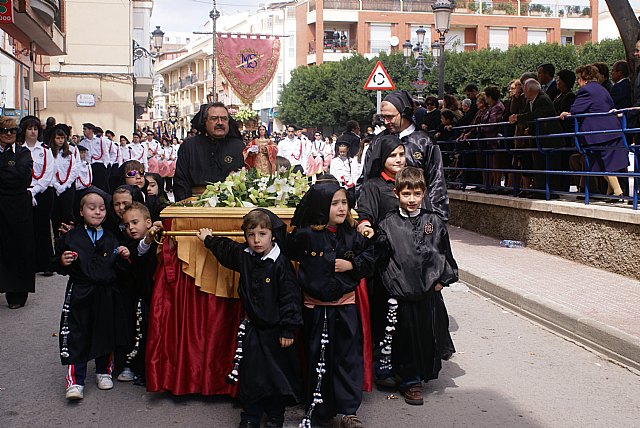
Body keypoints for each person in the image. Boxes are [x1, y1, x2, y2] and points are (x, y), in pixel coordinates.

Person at [197, 209, 303, 428]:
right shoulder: (244, 256)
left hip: (276, 332)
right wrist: (208, 239)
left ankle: (275, 416)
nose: (256, 240)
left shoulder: (280, 263)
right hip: (253, 330)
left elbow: (290, 297)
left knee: (276, 375)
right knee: (251, 375)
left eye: (262, 234)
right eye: (251, 234)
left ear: (272, 235)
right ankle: (250, 416)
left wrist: (287, 329)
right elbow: (225, 249)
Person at [288, 182, 374, 428]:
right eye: (334, 203)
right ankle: (318, 409)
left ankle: (349, 411)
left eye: (344, 203)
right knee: (317, 358)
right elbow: (285, 247)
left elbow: (371, 257)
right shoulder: (305, 236)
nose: (340, 208)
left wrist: (352, 265)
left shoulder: (352, 234)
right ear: (320, 207)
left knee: (348, 358)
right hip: (315, 310)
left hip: (345, 308)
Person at [372, 167, 458, 405]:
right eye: (406, 194)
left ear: (424, 193)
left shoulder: (433, 221)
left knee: (422, 338)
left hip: (426, 293)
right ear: (396, 193)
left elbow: (443, 251)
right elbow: (379, 258)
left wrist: (442, 279)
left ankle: (416, 378)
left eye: (417, 194)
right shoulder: (388, 223)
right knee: (400, 338)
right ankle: (406, 380)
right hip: (399, 294)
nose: (411, 199)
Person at [53, 191, 131, 400]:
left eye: (102, 208)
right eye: (91, 207)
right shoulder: (71, 237)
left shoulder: (111, 237)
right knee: (77, 333)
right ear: (81, 211)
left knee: (105, 329)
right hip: (80, 291)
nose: (97, 211)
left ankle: (103, 371)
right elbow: (55, 264)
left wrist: (124, 257)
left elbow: (120, 271)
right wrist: (62, 261)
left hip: (105, 292)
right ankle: (75, 381)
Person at [363, 90, 448, 221]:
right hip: (384, 218)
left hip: (419, 216)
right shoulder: (377, 142)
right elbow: (366, 178)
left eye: (390, 117)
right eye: (383, 117)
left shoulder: (424, 141)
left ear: (404, 113)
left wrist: (438, 219)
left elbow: (437, 182)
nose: (385, 121)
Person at [560, 64, 629, 201]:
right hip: (612, 129)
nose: (578, 82)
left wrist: (567, 113)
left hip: (598, 133)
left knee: (601, 161)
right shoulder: (602, 89)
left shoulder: (586, 90)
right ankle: (612, 194)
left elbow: (576, 109)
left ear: (583, 78)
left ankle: (618, 192)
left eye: (579, 78)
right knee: (610, 162)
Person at [120, 202, 163, 386]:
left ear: (148, 222)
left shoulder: (160, 237)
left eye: (135, 222)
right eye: (127, 225)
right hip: (144, 297)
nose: (131, 228)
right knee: (144, 334)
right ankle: (144, 371)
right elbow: (140, 250)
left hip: (160, 296)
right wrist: (147, 239)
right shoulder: (133, 244)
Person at [174, 102, 245, 201]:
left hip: (231, 205)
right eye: (214, 118)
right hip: (197, 205)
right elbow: (180, 182)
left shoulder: (239, 146)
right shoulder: (189, 146)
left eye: (224, 119)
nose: (220, 122)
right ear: (205, 122)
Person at [0, 117, 36, 309]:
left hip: (19, 206)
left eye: (12, 131)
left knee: (19, 248)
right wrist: (9, 169)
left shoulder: (23, 153)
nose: (8, 134)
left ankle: (17, 295)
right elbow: (13, 174)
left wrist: (6, 170)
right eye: (4, 131)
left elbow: (23, 176)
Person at [509, 79, 565, 197]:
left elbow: (537, 115)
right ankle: (540, 190)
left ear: (530, 90)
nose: (523, 92)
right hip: (540, 138)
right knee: (539, 164)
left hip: (550, 138)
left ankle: (550, 191)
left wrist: (518, 118)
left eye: (524, 89)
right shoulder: (531, 100)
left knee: (549, 165)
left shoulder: (542, 99)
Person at [20, 115, 55, 275]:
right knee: (27, 228)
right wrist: (28, 191)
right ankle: (30, 263)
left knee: (43, 228)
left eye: (35, 129)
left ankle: (46, 263)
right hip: (24, 192)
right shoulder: (19, 149)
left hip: (42, 192)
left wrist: (34, 190)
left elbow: (48, 173)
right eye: (29, 129)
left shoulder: (45, 150)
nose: (33, 132)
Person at [50, 124, 79, 240]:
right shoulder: (49, 152)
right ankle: (57, 238)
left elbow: (74, 169)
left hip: (67, 187)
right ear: (53, 139)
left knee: (67, 212)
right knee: (55, 213)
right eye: (58, 138)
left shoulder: (70, 152)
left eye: (62, 138)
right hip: (54, 187)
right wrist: (57, 185)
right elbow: (49, 170)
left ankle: (68, 236)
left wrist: (66, 185)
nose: (60, 140)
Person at [84, 123, 110, 192]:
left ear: (91, 130)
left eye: (85, 129)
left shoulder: (100, 140)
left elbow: (106, 154)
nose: (83, 131)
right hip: (89, 166)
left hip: (99, 165)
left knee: (101, 187)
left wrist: (105, 165)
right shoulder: (83, 142)